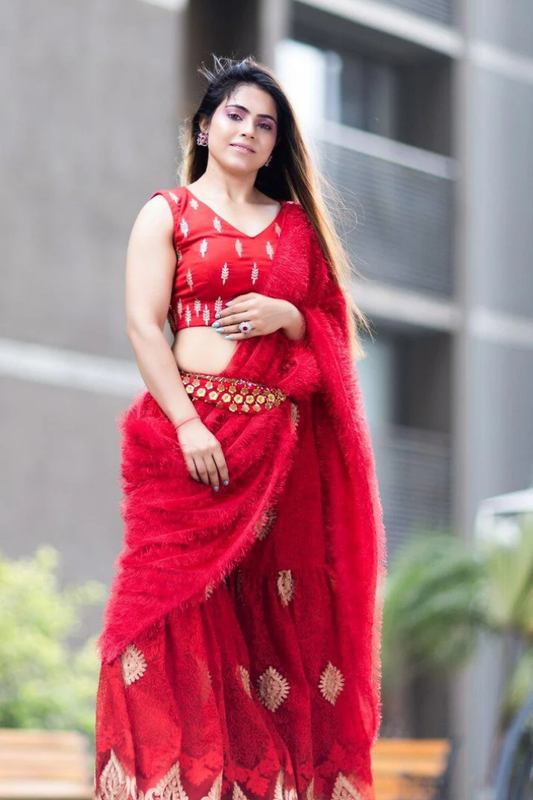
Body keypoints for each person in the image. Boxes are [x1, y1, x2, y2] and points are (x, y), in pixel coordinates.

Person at [93, 55, 386, 800]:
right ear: (203, 125)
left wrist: (291, 316)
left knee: (273, 627)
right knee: (152, 618)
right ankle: (166, 782)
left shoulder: (295, 227)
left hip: (280, 456)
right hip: (191, 441)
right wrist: (189, 426)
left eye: (266, 124)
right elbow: (141, 324)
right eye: (234, 115)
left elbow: (329, 332)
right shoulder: (168, 212)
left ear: (276, 143)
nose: (248, 131)